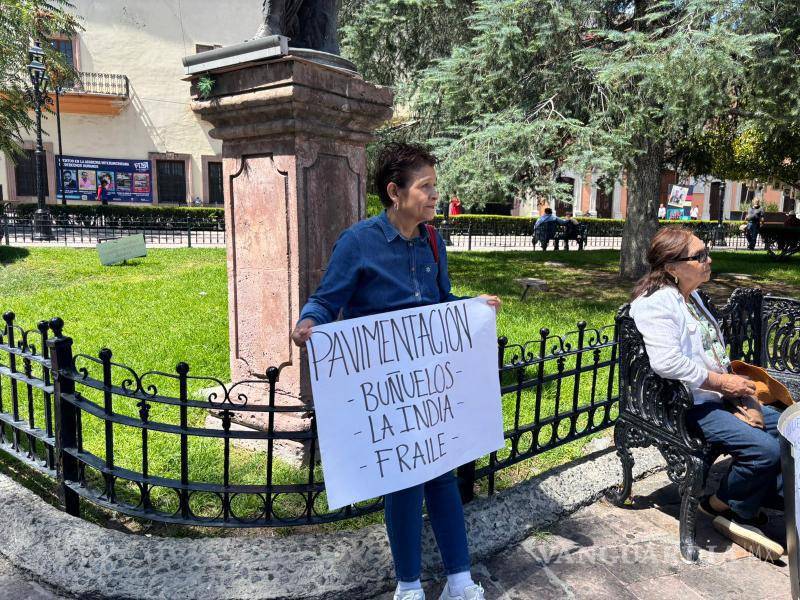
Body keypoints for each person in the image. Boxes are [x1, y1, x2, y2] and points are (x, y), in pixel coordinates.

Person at [291, 143, 501, 600]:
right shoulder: (358, 242)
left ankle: (459, 582)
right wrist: (310, 322)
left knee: (443, 474)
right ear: (394, 191)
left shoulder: (431, 240)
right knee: (404, 483)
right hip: (386, 389)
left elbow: (440, 301)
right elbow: (328, 299)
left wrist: (472, 308)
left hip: (428, 382)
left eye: (434, 187)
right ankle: (408, 587)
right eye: (426, 187)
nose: (434, 196)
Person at [630, 227, 784, 559]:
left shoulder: (693, 296)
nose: (708, 260)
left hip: (719, 395)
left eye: (706, 252)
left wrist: (739, 391)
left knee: (789, 430)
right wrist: (722, 384)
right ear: (672, 266)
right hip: (691, 405)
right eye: (699, 256)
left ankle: (749, 502)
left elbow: (711, 351)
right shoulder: (655, 303)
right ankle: (722, 506)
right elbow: (666, 362)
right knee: (766, 452)